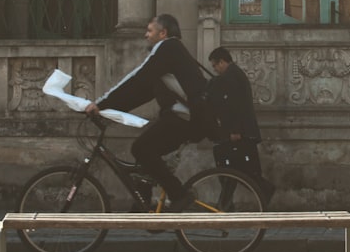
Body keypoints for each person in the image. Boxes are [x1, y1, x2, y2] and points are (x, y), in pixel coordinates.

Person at [85, 13, 205, 210]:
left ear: (163, 33)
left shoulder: (167, 47)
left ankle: (180, 196)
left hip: (185, 117)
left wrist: (101, 104)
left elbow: (137, 78)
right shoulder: (170, 53)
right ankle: (144, 204)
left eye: (149, 31)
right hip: (183, 117)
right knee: (146, 152)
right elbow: (142, 92)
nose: (145, 35)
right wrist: (108, 112)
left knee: (141, 148)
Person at [206, 46, 275, 203]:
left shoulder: (231, 76)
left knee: (236, 171)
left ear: (222, 62)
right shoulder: (234, 74)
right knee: (234, 170)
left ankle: (261, 191)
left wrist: (235, 130)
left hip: (239, 134)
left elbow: (236, 105)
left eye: (215, 65)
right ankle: (226, 204)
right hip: (242, 133)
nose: (215, 69)